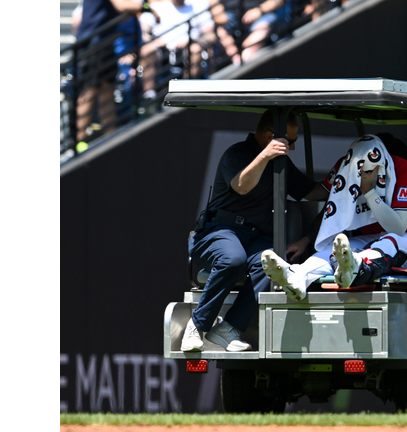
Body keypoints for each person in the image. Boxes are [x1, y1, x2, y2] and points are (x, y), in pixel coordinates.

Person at [181, 111, 329, 352]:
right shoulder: (237, 154)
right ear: (271, 136)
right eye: (289, 141)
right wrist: (266, 156)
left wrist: (344, 181)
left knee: (272, 264)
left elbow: (311, 192)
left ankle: (228, 329)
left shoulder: (282, 163)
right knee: (232, 259)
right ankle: (196, 326)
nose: (291, 147)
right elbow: (242, 185)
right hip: (218, 231)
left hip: (255, 237)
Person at [260, 134, 407, 301]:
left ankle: (355, 267)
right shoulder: (349, 164)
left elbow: (398, 228)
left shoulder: (404, 170)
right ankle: (297, 277)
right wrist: (277, 164)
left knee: (389, 241)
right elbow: (328, 201)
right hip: (372, 239)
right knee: (336, 247)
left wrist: (368, 191)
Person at [74, 0, 160, 141]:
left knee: (106, 89)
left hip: (103, 44)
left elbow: (122, 13)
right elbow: (121, 5)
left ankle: (110, 135)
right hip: (94, 44)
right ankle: (79, 139)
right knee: (90, 90)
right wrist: (146, 7)